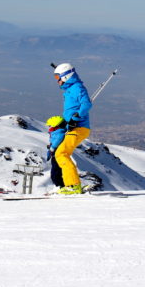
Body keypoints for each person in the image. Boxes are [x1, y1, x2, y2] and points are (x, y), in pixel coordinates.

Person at [53, 63, 92, 195]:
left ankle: (73, 186)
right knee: (62, 153)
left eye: (58, 77)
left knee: (61, 153)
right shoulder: (70, 89)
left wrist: (76, 117)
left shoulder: (77, 88)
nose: (57, 80)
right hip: (74, 127)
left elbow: (87, 103)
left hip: (79, 128)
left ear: (66, 76)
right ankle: (72, 185)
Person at [45, 115, 67, 188]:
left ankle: (60, 186)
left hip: (57, 155)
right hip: (55, 154)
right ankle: (60, 186)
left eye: (50, 126)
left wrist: (52, 148)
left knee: (55, 173)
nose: (49, 127)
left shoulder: (59, 133)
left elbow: (58, 139)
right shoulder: (56, 132)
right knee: (56, 172)